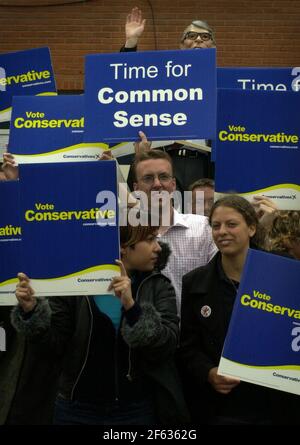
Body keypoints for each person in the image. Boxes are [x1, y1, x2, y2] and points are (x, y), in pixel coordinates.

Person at [12, 214, 189, 425]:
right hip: (76, 409)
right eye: (150, 239)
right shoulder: (75, 286)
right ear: (123, 247)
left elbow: (166, 345)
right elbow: (53, 346)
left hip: (135, 409)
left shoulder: (158, 285)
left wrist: (132, 307)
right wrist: (32, 311)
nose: (158, 247)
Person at [179, 195, 275, 425]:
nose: (222, 231)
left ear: (252, 228)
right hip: (220, 408)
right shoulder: (195, 282)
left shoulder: (280, 275)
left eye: (231, 224)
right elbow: (188, 347)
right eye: (216, 225)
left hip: (273, 404)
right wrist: (209, 372)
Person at [132, 149, 217, 311]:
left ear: (173, 184)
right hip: (144, 332)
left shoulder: (203, 228)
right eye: (148, 178)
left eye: (163, 177)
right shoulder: (127, 237)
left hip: (195, 332)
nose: (157, 184)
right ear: (136, 189)